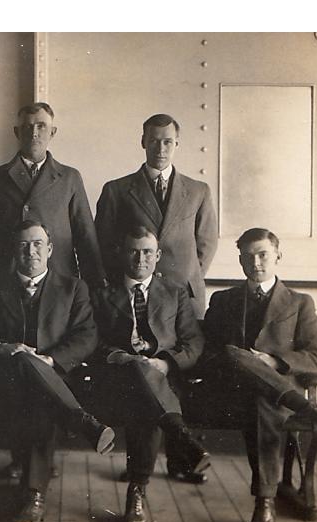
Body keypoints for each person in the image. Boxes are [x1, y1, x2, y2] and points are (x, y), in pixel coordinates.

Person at [94, 113, 218, 483]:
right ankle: (143, 465)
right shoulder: (118, 189)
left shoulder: (198, 191)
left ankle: (180, 459)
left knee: (174, 372)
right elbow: (103, 243)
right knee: (139, 369)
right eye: (153, 140)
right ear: (142, 141)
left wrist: (178, 284)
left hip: (179, 298)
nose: (160, 148)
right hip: (132, 298)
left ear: (177, 145)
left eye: (167, 141)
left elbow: (206, 244)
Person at [199, 227, 317, 522]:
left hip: (273, 400)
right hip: (230, 392)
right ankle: (314, 412)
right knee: (230, 353)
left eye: (263, 254)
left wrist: (274, 362)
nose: (256, 263)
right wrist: (241, 362)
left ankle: (264, 500)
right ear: (239, 260)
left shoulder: (299, 303)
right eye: (248, 256)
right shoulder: (223, 300)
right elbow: (206, 352)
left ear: (278, 255)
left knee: (262, 401)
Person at [0, 220, 115, 522]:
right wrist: (6, 347)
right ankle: (81, 423)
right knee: (25, 369)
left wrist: (50, 359)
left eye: (38, 244)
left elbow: (86, 337)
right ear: (15, 249)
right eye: (24, 244)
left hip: (57, 376)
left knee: (38, 398)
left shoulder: (74, 287)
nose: (31, 251)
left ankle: (33, 492)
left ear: (50, 249)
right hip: (6, 376)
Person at [93, 226, 209, 522]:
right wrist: (124, 358)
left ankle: (137, 490)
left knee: (144, 400)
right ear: (122, 253)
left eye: (147, 252)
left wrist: (166, 365)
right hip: (120, 377)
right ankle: (180, 438)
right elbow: (95, 342)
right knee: (138, 383)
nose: (140, 258)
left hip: (165, 380)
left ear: (157, 256)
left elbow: (193, 343)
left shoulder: (175, 293)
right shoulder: (103, 295)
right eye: (133, 250)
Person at [0, 102, 106, 292]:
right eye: (27, 127)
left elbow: (85, 237)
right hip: (7, 280)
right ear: (17, 132)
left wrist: (95, 286)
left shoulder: (69, 177)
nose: (34, 133)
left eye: (41, 126)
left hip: (59, 278)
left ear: (53, 132)